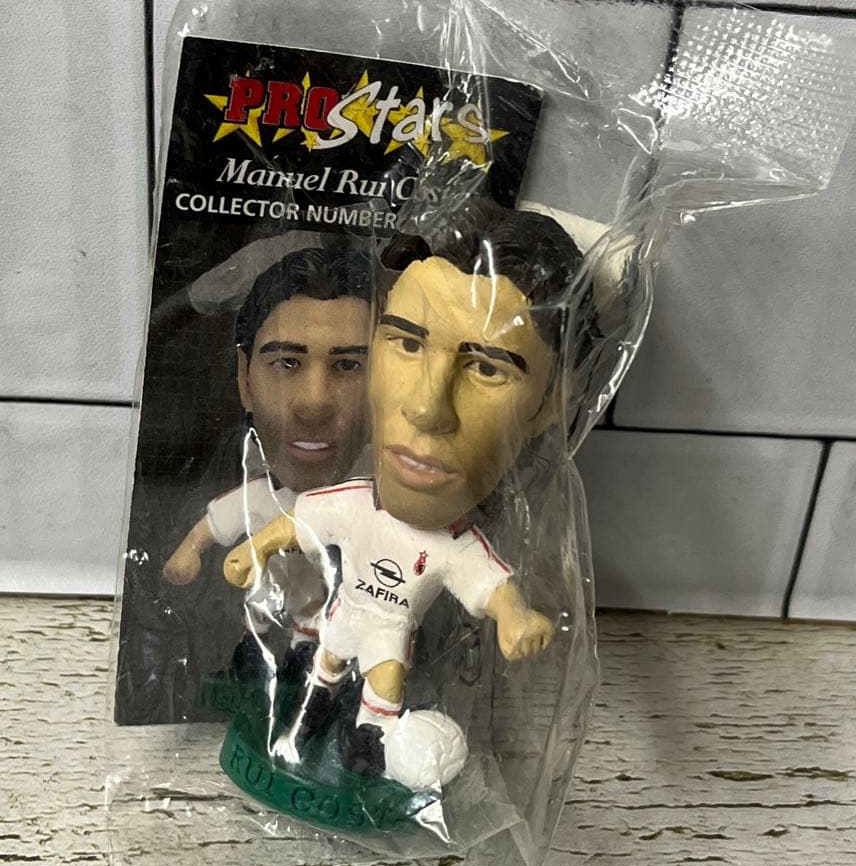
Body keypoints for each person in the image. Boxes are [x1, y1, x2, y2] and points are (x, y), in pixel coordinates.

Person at [224, 197, 593, 775]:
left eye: (487, 368)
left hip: (390, 634)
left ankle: (365, 748)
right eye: (407, 343)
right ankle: (311, 720)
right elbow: (302, 523)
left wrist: (516, 618)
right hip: (341, 619)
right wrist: (256, 547)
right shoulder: (355, 500)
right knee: (325, 667)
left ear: (553, 403)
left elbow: (491, 587)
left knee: (385, 686)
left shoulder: (456, 545)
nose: (425, 408)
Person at [163, 245, 372, 677]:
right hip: (270, 596)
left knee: (313, 644)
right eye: (287, 362)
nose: (314, 404)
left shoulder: (376, 502)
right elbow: (211, 527)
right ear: (245, 378)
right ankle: (255, 661)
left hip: (333, 616)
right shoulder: (259, 497)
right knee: (260, 625)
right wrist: (188, 555)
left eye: (349, 365)